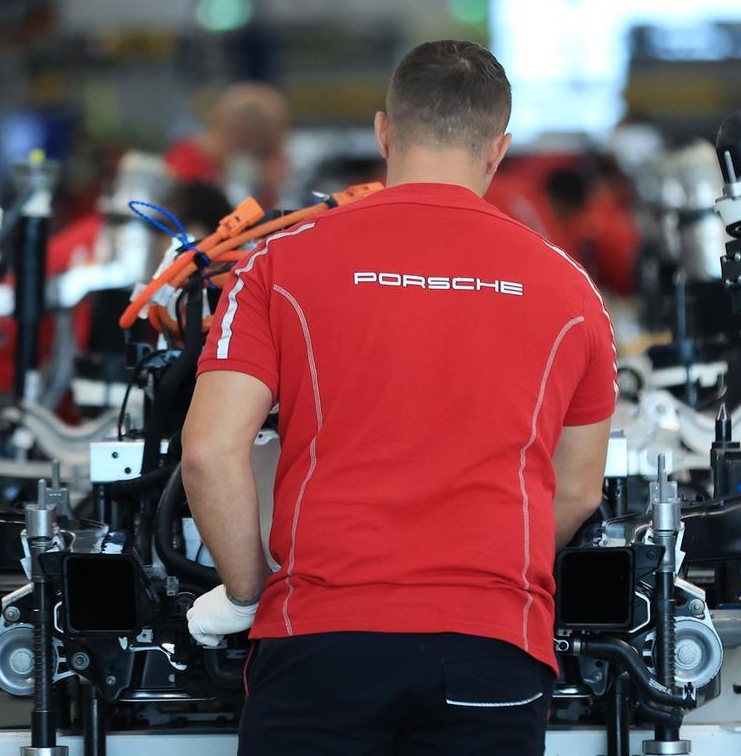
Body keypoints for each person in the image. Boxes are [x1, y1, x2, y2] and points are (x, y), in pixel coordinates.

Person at [180, 40, 615, 755]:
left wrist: (245, 592)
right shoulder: (570, 289)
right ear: (498, 149)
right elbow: (576, 492)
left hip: (321, 643)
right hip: (493, 650)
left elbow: (208, 452)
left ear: (386, 132)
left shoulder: (279, 262)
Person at [165, 82, 291, 208]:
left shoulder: (278, 167)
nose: (247, 143)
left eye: (256, 138)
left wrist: (269, 184)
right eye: (240, 133)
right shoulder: (190, 156)